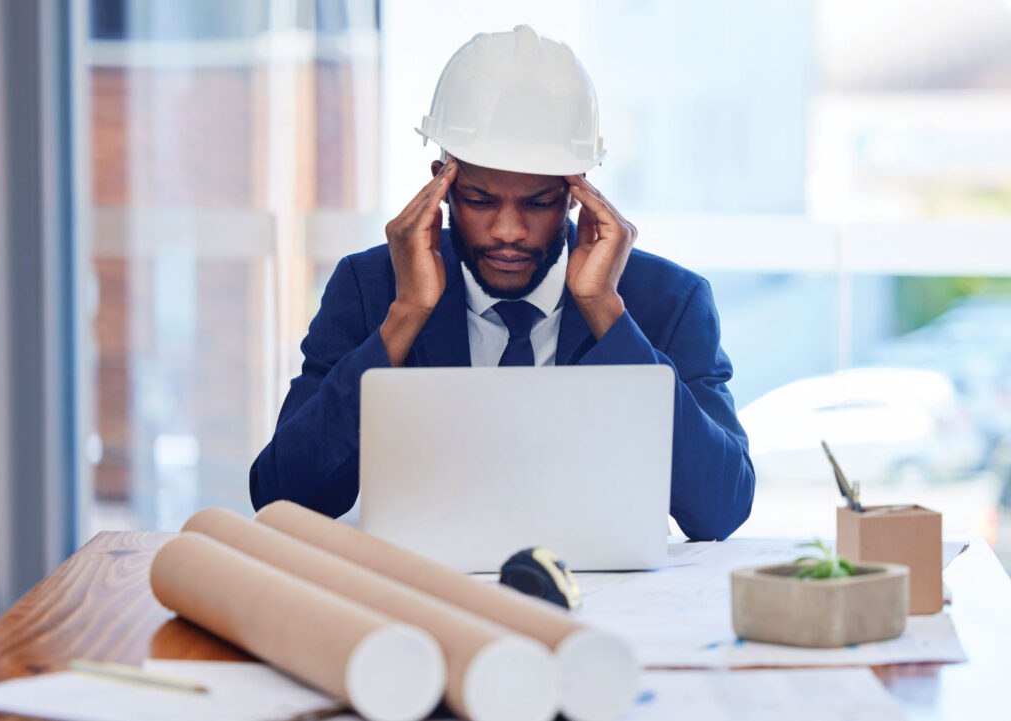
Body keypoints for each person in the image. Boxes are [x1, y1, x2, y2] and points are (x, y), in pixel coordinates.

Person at [250, 25, 755, 541]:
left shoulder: (668, 301)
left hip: (608, 598)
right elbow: (280, 497)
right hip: (426, 597)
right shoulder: (371, 288)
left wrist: (607, 313)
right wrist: (404, 317)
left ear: (576, 193)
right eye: (480, 200)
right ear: (440, 187)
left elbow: (720, 508)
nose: (508, 232)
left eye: (537, 203)